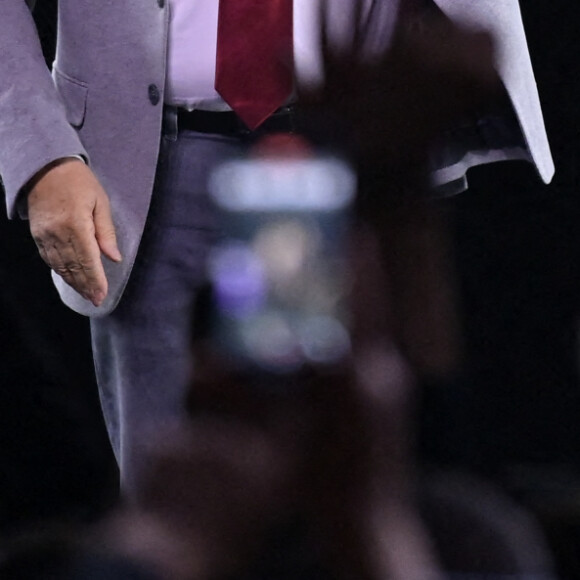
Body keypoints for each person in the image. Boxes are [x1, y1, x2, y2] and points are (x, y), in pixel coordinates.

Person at [0, 0, 553, 494]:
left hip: (326, 148)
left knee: (325, 467)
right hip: (142, 161)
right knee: (166, 494)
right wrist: (44, 156)